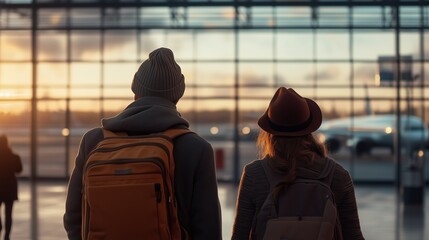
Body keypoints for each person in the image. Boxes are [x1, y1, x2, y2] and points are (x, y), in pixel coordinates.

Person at [64, 47, 222, 240]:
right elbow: (207, 228)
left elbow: (73, 216)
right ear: (177, 95)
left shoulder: (94, 141)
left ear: (135, 91)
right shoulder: (196, 148)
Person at [231, 87, 364, 240]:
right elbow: (353, 235)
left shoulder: (254, 174)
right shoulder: (337, 175)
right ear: (309, 130)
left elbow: (239, 236)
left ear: (269, 134)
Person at [0, 135, 23, 240]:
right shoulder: (14, 157)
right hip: (10, 189)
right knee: (8, 214)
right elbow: (19, 170)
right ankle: (7, 235)